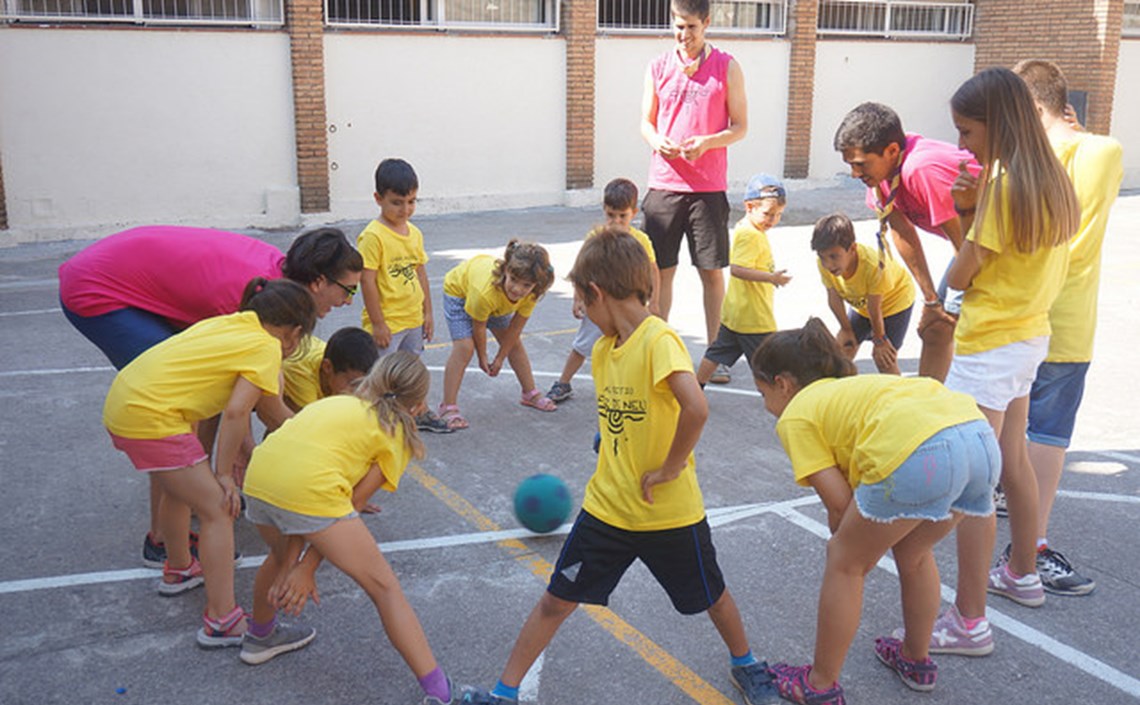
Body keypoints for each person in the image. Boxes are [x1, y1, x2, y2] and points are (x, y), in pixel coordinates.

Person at [460, 229, 780, 705]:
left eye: (580, 302)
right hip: (608, 509)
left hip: (669, 513)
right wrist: (610, 439)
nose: (581, 313)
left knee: (711, 595)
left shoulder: (659, 340)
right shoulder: (605, 351)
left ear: (597, 293)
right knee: (555, 599)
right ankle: (504, 693)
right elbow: (626, 411)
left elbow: (695, 408)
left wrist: (671, 467)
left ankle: (746, 664)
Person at [59, 225, 362, 569]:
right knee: (171, 414)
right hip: (97, 286)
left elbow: (239, 399)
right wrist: (290, 460)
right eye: (348, 290)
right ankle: (161, 539)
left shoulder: (272, 288)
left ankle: (191, 496)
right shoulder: (250, 302)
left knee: (202, 402)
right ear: (319, 281)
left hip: (117, 270)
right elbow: (253, 406)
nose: (348, 301)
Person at [751, 319, 999, 704]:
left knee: (843, 560)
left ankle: (819, 686)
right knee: (914, 552)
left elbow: (839, 505)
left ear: (782, 383)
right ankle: (916, 660)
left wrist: (850, 558)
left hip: (921, 453)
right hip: (978, 439)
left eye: (762, 390)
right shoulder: (853, 388)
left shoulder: (797, 413)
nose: (766, 404)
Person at [921, 67, 1079, 654]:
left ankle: (968, 621)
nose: (961, 143)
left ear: (999, 123)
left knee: (972, 485)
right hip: (1028, 337)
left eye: (967, 130)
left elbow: (963, 271)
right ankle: (1022, 572)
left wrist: (965, 211)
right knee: (1010, 461)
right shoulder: (1053, 179)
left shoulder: (1005, 186)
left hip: (988, 346)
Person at [102, 279, 317, 645]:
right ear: (294, 333)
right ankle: (222, 620)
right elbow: (236, 413)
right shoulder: (265, 347)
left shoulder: (232, 322)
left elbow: (271, 411)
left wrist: (314, 431)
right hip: (153, 418)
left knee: (183, 491)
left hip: (126, 403)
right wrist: (224, 474)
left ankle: (180, 568)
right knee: (219, 507)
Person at [240, 353, 460, 704]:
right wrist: (305, 568)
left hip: (258, 479)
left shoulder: (338, 403)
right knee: (385, 588)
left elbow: (308, 505)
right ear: (417, 404)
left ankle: (260, 636)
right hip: (306, 491)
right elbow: (350, 504)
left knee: (279, 556)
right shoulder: (395, 432)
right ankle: (439, 692)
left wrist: (292, 563)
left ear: (373, 378)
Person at [1012, 59, 1124, 596]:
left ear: (1033, 110)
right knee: (1047, 438)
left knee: (1014, 427)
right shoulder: (1101, 152)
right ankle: (1028, 551)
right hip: (1068, 320)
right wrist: (1066, 128)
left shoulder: (1014, 163)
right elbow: (1097, 143)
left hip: (1019, 313)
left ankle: (1010, 527)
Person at [640, 0, 748, 382]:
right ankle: (658, 353)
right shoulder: (657, 67)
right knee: (660, 274)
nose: (683, 35)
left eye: (691, 27)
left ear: (706, 23)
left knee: (711, 274)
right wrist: (659, 141)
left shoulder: (727, 67)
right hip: (664, 187)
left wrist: (709, 141)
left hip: (708, 189)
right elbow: (646, 123)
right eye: (677, 26)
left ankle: (713, 360)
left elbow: (740, 126)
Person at [833, 102, 979, 381]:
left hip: (995, 242)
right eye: (850, 165)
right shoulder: (881, 177)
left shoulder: (921, 169)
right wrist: (931, 300)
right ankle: (927, 405)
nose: (854, 173)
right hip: (972, 243)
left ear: (891, 151)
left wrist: (966, 297)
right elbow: (903, 232)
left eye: (860, 164)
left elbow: (961, 238)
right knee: (936, 327)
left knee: (981, 337)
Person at [356, 158, 451, 434]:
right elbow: (367, 281)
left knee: (412, 371)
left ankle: (418, 411)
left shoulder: (415, 234)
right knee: (382, 376)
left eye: (411, 201)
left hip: (412, 320)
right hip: (388, 321)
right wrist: (378, 323)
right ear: (378, 198)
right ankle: (374, 423)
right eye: (397, 202)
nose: (405, 209)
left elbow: (421, 274)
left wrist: (428, 313)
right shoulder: (372, 237)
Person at [546, 177, 660, 403]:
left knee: (634, 347)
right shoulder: (596, 238)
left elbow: (653, 271)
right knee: (582, 345)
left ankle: (635, 387)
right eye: (611, 215)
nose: (616, 221)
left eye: (622, 216)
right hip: (599, 305)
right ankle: (563, 382)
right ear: (604, 211)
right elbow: (581, 269)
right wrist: (578, 298)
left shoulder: (641, 241)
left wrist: (654, 302)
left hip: (628, 307)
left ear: (634, 212)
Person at [438, 240, 556, 429]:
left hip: (497, 303)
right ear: (506, 271)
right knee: (465, 348)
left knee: (514, 344)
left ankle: (529, 393)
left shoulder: (531, 294)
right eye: (514, 280)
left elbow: (515, 329)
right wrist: (483, 357)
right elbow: (479, 326)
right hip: (460, 293)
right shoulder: (485, 293)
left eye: (526, 285)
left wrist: (500, 357)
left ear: (536, 285)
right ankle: (448, 406)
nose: (517, 289)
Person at [696, 173, 788, 387]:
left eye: (778, 214)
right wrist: (771, 278)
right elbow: (737, 269)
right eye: (768, 214)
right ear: (750, 207)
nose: (773, 220)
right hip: (753, 318)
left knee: (716, 353)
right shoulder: (750, 235)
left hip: (736, 314)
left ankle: (695, 386)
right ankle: (773, 394)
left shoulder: (747, 228)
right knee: (768, 361)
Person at [811, 213, 915, 375]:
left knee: (884, 359)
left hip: (894, 303)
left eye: (834, 256)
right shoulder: (824, 264)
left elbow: (875, 308)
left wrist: (880, 340)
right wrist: (846, 329)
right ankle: (837, 394)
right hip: (863, 305)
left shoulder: (873, 265)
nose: (828, 264)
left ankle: (897, 396)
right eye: (822, 257)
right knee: (841, 353)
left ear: (852, 248)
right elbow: (834, 298)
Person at [281, 327, 378, 412]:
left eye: (363, 384)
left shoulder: (335, 360)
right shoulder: (301, 373)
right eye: (352, 383)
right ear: (327, 367)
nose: (357, 392)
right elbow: (313, 424)